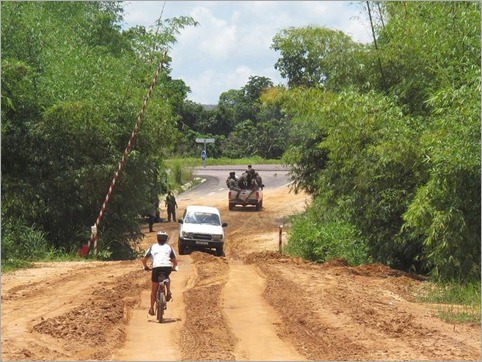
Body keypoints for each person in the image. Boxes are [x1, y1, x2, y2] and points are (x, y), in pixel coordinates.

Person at [142, 231, 178, 316]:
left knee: (154, 290)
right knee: (167, 276)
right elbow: (175, 262)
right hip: (167, 267)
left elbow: (144, 260)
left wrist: (145, 266)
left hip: (156, 268)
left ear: (157, 238)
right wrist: (173, 268)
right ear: (166, 239)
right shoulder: (169, 247)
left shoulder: (152, 247)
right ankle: (168, 292)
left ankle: (151, 309)